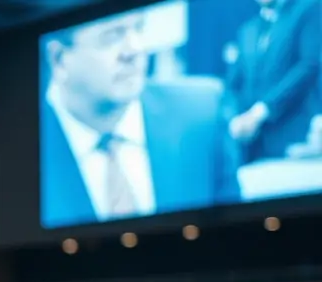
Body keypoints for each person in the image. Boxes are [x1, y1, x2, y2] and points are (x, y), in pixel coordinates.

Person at [41, 11, 241, 229]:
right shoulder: (17, 157)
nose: (134, 49)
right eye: (111, 36)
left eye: (138, 28)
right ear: (58, 59)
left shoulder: (204, 113)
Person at [225, 0, 321, 163]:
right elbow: (234, 84)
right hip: (254, 148)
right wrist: (235, 119)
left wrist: (259, 113)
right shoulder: (247, 30)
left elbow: (308, 67)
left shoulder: (307, 9)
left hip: (296, 143)